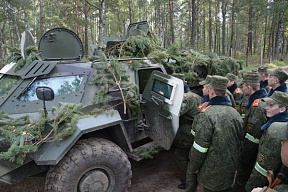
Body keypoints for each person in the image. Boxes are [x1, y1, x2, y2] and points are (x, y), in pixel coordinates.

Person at [186, 75, 244, 192]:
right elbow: (240, 142)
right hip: (229, 169)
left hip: (211, 172)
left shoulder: (207, 114)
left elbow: (200, 148)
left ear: (211, 91)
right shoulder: (235, 114)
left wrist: (193, 167)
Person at [245, 91, 288, 192]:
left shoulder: (276, 132)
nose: (266, 107)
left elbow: (264, 167)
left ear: (282, 109)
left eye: (271, 105)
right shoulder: (279, 123)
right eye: (267, 104)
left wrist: (250, 187)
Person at [233, 72, 268, 192]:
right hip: (255, 150)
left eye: (243, 86)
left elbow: (252, 137)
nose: (241, 88)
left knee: (243, 175)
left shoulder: (257, 106)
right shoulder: (260, 100)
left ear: (248, 87)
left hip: (251, 151)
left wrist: (243, 157)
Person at [173, 74, 202, 190]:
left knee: (180, 156)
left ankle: (187, 181)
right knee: (190, 156)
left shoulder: (186, 97)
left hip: (187, 132)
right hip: (195, 130)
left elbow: (176, 112)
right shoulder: (193, 95)